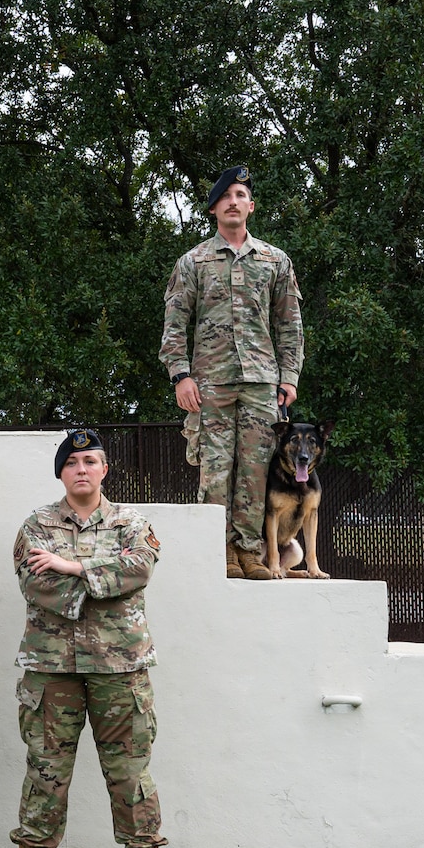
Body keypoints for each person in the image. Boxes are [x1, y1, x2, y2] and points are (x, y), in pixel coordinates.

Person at [1, 429, 170, 848]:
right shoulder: (36, 525)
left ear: (104, 470)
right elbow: (36, 584)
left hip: (120, 668)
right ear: (61, 472)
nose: (82, 469)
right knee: (45, 772)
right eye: (73, 461)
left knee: (130, 774)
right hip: (52, 669)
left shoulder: (131, 522)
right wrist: (100, 579)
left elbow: (139, 570)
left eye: (91, 461)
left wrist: (71, 566)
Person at [160, 166, 305, 579]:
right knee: (215, 470)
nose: (233, 202)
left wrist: (289, 377)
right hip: (210, 384)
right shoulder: (194, 262)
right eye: (225, 197)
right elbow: (174, 324)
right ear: (213, 209)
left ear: (251, 206)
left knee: (257, 470)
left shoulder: (275, 260)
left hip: (262, 382)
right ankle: (220, 551)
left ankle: (249, 551)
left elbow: (289, 323)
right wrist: (180, 376)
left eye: (240, 195)